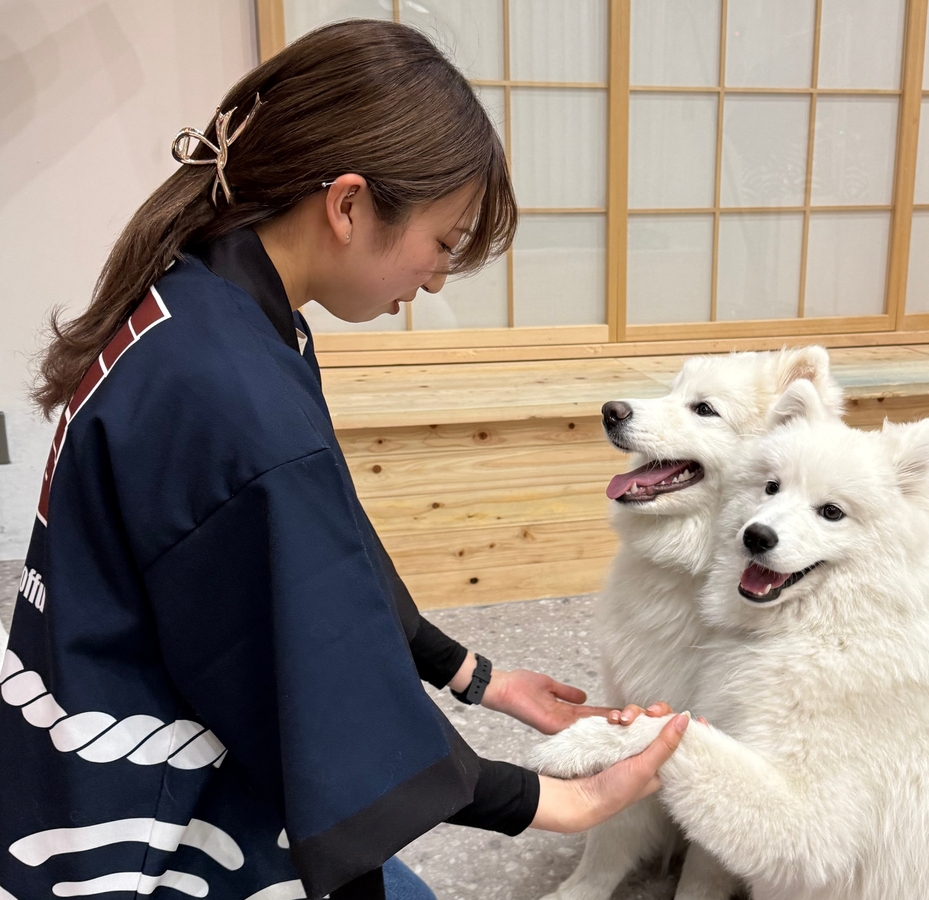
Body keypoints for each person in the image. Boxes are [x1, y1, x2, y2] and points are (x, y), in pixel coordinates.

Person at [0, 20, 686, 900]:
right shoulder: (236, 398)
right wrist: (565, 799)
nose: (438, 277)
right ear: (351, 204)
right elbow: (333, 704)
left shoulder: (207, 299)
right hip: (137, 821)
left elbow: (330, 552)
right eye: (444, 240)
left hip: (74, 732)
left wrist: (477, 676)